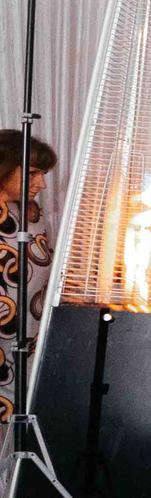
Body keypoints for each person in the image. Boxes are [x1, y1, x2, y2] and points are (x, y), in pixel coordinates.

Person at [0, 130, 57, 423]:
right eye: (34, 173)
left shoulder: (32, 212)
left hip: (28, 337)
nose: (42, 184)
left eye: (44, 174)